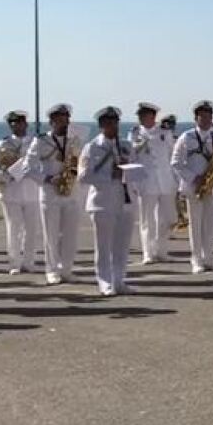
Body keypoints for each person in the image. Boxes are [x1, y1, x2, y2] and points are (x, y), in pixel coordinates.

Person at [78, 106, 139, 296]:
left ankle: (119, 279)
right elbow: (83, 176)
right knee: (104, 246)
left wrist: (131, 173)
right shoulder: (92, 147)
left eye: (115, 122)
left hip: (125, 199)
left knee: (122, 245)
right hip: (102, 201)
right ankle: (105, 282)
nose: (113, 126)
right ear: (101, 125)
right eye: (109, 123)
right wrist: (110, 174)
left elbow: (136, 168)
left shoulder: (127, 146)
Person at [26, 104, 85, 286]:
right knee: (51, 234)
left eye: (65, 118)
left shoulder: (75, 140)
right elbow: (28, 166)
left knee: (70, 234)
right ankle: (52, 270)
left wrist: (77, 173)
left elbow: (83, 161)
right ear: (51, 122)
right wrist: (47, 178)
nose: (63, 122)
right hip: (50, 192)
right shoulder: (41, 141)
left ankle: (66, 269)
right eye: (59, 119)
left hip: (71, 191)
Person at [171, 101, 213, 274]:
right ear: (196, 118)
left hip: (212, 184)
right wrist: (194, 177)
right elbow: (176, 163)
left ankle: (209, 256)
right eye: (203, 116)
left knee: (210, 223)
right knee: (196, 224)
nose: (207, 119)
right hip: (194, 186)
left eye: (209, 116)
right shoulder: (187, 137)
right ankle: (196, 259)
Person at [0, 110, 42, 274]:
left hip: (31, 190)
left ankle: (29, 261)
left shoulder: (36, 142)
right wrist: (7, 175)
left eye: (20, 122)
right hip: (12, 191)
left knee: (31, 229)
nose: (17, 126)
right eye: (13, 123)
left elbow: (41, 163)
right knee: (13, 229)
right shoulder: (4, 144)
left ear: (25, 124)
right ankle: (15, 263)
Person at [129, 102, 177, 265]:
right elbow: (132, 159)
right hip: (146, 181)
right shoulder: (135, 133)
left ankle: (161, 250)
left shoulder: (164, 132)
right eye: (140, 116)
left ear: (153, 116)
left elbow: (172, 154)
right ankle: (148, 253)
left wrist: (175, 179)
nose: (141, 118)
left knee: (166, 218)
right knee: (147, 220)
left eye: (144, 115)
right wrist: (134, 183)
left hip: (164, 180)